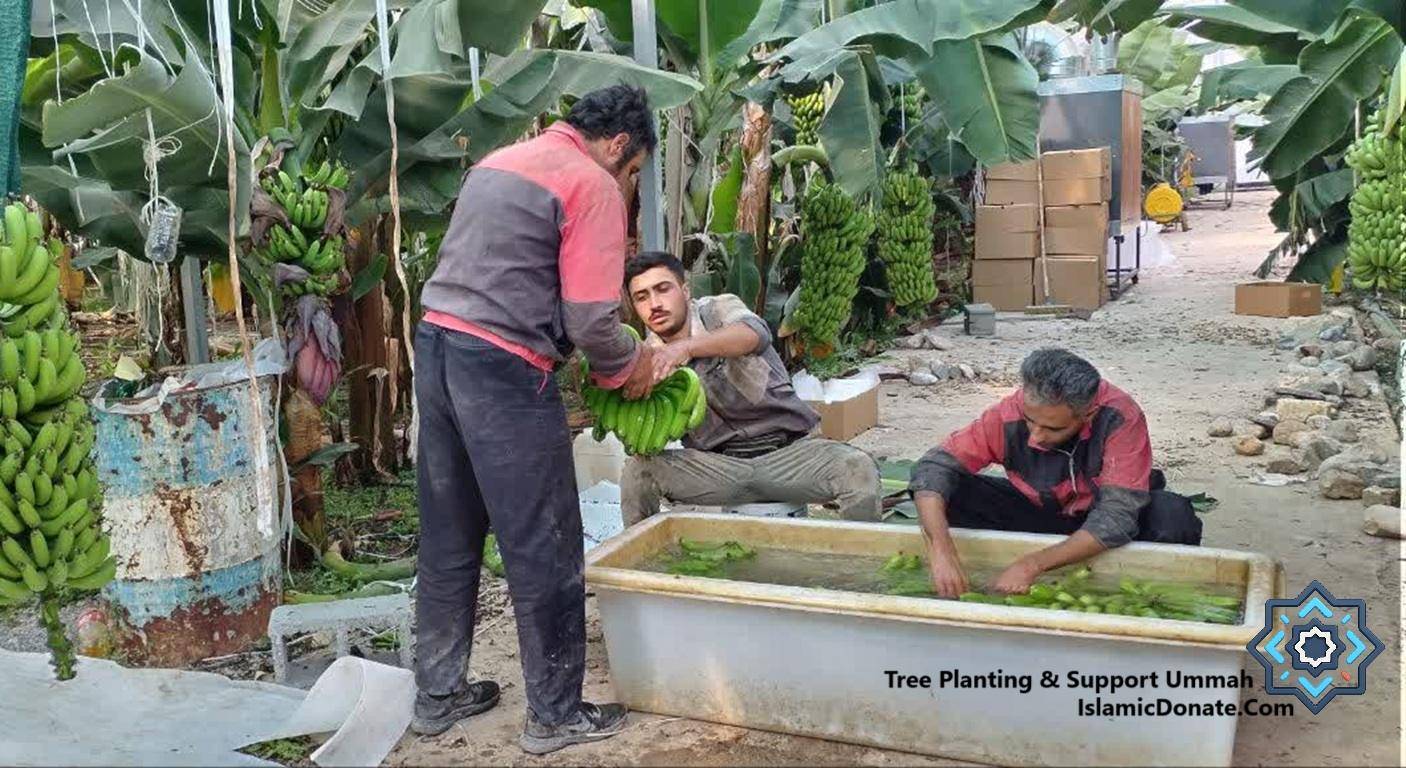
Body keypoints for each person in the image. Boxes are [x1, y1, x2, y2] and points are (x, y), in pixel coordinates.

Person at [411, 84, 659, 753]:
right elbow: (589, 319)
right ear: (617, 145)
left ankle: (437, 697)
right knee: (544, 545)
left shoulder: (499, 161)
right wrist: (625, 365)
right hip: (501, 365)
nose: (628, 183)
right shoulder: (592, 183)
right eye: (633, 170)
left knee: (449, 536)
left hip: (436, 349)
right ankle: (554, 714)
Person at [908, 347, 1201, 598]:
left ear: (1088, 414)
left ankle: (1153, 595)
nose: (1035, 437)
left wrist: (1031, 565)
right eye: (1029, 421)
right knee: (949, 491)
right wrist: (941, 549)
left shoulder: (1119, 416)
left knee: (1173, 517)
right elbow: (934, 467)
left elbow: (1116, 518)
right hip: (1040, 512)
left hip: (1098, 517)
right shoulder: (1010, 411)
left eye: (1052, 428)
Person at [620, 251, 882, 525]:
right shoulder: (648, 360)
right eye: (642, 297)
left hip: (790, 455)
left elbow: (755, 334)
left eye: (663, 289)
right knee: (639, 473)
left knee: (858, 470)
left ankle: (855, 563)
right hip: (716, 467)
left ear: (685, 291)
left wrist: (685, 348)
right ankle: (642, 563)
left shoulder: (717, 310)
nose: (655, 303)